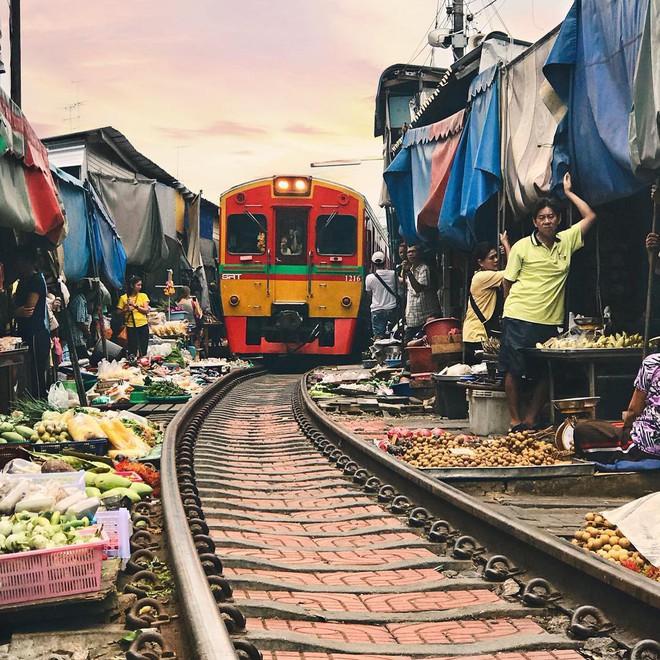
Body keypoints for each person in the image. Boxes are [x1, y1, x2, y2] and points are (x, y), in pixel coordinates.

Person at [499, 172, 597, 432]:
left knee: (545, 372)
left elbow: (590, 217)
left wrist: (568, 194)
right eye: (541, 217)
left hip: (549, 321)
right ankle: (514, 419)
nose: (547, 221)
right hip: (519, 316)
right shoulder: (521, 247)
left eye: (551, 216)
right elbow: (507, 281)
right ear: (535, 221)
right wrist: (509, 313)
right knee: (514, 370)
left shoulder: (566, 241)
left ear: (558, 219)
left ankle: (531, 418)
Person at [573, 352, 660, 463]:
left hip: (647, 448)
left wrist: (626, 431)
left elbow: (634, 411)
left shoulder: (653, 362)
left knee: (583, 428)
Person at [463, 234, 511, 365]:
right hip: (476, 335)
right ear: (480, 262)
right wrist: (506, 244)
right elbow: (512, 271)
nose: (496, 260)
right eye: (491, 258)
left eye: (496, 256)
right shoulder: (482, 277)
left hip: (475, 334)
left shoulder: (483, 276)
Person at [12, 246, 50, 397]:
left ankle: (40, 404)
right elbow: (14, 305)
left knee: (36, 374)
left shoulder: (36, 280)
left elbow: (28, 310)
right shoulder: (23, 281)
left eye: (20, 261)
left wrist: (14, 311)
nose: (18, 264)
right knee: (27, 375)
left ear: (29, 261)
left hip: (36, 334)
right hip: (25, 333)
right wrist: (15, 311)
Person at [399, 244, 441, 345]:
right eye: (408, 252)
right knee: (406, 344)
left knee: (429, 342)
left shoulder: (424, 269)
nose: (410, 254)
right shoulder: (411, 268)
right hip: (412, 316)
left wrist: (408, 272)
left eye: (413, 252)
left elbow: (418, 288)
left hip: (425, 315)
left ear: (419, 254)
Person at [364, 251, 398, 340]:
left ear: (373, 263)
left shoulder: (369, 278)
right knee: (394, 335)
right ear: (385, 262)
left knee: (378, 337)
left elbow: (368, 294)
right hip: (392, 309)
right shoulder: (393, 274)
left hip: (377, 310)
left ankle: (379, 351)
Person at [117, 275, 150, 357]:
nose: (140, 287)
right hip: (130, 326)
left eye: (140, 285)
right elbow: (118, 312)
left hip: (143, 325)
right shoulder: (124, 298)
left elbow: (146, 310)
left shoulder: (143, 296)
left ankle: (143, 362)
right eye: (138, 285)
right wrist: (126, 310)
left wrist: (135, 306)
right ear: (132, 286)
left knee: (143, 348)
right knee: (132, 349)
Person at [68, 281, 91, 360]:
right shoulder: (79, 300)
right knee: (84, 361)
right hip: (77, 338)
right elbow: (80, 321)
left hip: (77, 338)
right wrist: (87, 333)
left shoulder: (79, 299)